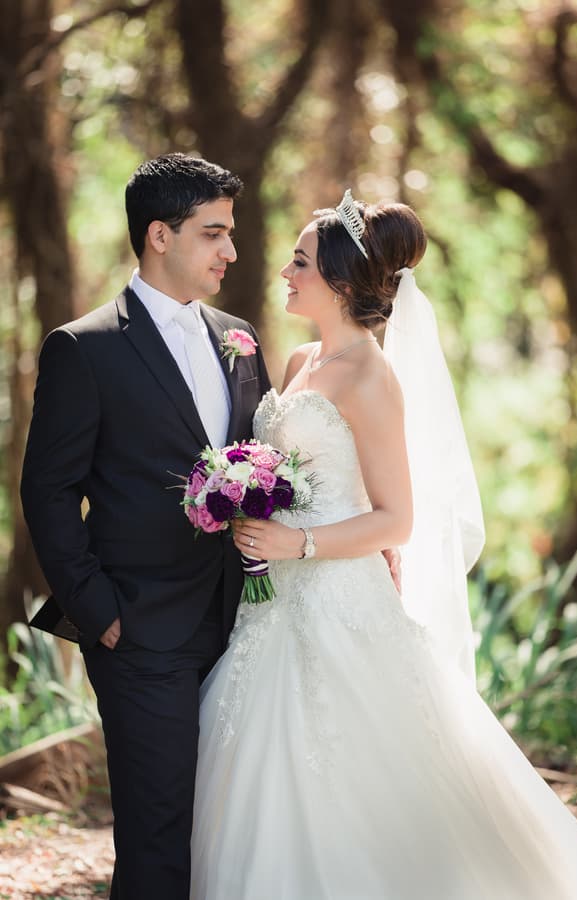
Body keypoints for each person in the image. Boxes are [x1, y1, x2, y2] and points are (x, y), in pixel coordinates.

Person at [189, 190, 577, 899]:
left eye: (301, 262)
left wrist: (300, 544)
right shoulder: (297, 364)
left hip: (337, 598)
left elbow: (396, 519)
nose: (286, 273)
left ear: (343, 282)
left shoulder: (373, 377)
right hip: (272, 606)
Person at [20, 153, 271, 899]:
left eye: (231, 233)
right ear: (159, 235)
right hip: (139, 628)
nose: (231, 251)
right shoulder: (84, 347)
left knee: (225, 822)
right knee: (157, 829)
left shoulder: (241, 336)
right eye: (213, 233)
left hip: (245, 624)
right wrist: (99, 613)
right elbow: (48, 492)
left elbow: (264, 463)